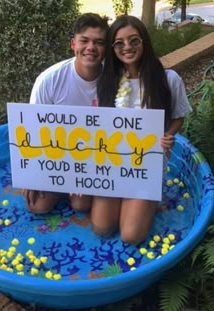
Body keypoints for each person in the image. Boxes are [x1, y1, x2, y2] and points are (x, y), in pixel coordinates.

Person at [90, 15, 192, 245]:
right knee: (101, 227)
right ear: (113, 48)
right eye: (119, 43)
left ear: (144, 41)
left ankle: (146, 203)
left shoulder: (168, 79)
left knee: (131, 236)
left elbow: (178, 117)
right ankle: (130, 202)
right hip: (114, 164)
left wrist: (169, 135)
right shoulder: (107, 81)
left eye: (134, 40)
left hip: (147, 166)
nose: (127, 47)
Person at [22, 13, 109, 214]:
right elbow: (33, 130)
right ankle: (61, 187)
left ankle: (74, 191)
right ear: (73, 44)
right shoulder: (49, 80)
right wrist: (30, 175)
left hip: (93, 157)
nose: (91, 48)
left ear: (105, 48)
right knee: (37, 206)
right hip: (56, 156)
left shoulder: (115, 81)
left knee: (82, 205)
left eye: (99, 42)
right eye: (84, 41)